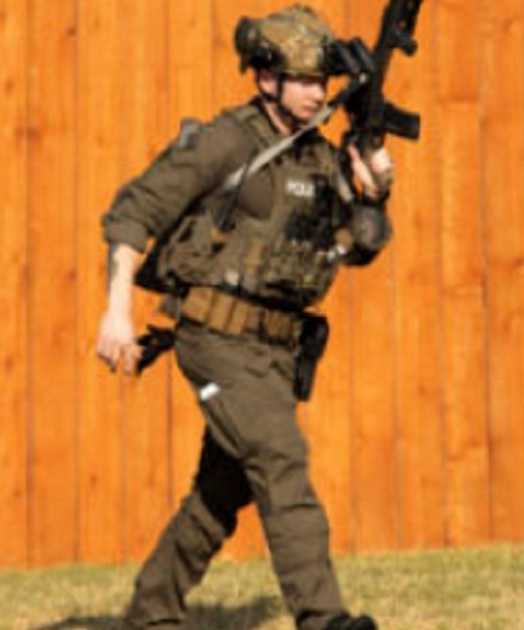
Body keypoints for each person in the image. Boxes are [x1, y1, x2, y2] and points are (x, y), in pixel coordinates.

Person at [95, 5, 395, 630]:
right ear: (266, 80)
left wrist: (374, 191)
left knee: (219, 495)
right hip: (215, 339)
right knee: (280, 459)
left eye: (323, 81)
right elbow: (133, 212)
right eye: (305, 79)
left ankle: (150, 616)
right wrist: (116, 311)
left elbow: (357, 246)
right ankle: (324, 619)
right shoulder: (227, 141)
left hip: (276, 353)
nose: (319, 92)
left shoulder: (316, 157)